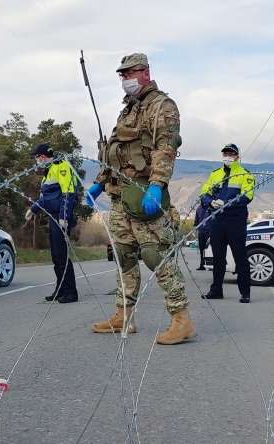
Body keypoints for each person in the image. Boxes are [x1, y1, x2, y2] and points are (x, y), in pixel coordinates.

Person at [85, 53, 195, 345]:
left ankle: (181, 320)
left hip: (144, 193)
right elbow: (116, 154)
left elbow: (164, 148)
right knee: (124, 257)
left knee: (154, 255)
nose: (126, 79)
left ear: (145, 72)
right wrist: (99, 184)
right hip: (121, 196)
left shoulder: (162, 106)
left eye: (130, 73)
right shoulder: (128, 110)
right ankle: (123, 316)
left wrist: (157, 185)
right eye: (122, 75)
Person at [199, 143, 255, 303]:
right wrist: (210, 202)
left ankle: (245, 292)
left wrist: (227, 202)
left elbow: (247, 196)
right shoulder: (215, 174)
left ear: (237, 156)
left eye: (231, 154)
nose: (228, 157)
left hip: (235, 221)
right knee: (218, 258)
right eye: (225, 154)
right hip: (217, 220)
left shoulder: (245, 174)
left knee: (240, 257)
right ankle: (216, 290)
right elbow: (204, 193)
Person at [25, 143, 78, 303]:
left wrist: (64, 216)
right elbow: (45, 199)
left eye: (36, 158)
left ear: (42, 157)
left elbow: (69, 193)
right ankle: (60, 289)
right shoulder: (48, 172)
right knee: (56, 256)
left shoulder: (62, 166)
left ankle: (70, 292)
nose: (36, 161)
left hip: (61, 218)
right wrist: (33, 209)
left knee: (62, 255)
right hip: (53, 217)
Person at [194, 203, 211, 270]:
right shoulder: (199, 208)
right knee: (202, 249)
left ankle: (210, 264)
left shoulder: (211, 207)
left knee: (210, 248)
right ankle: (202, 264)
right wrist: (195, 227)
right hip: (201, 231)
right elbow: (197, 219)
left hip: (210, 231)